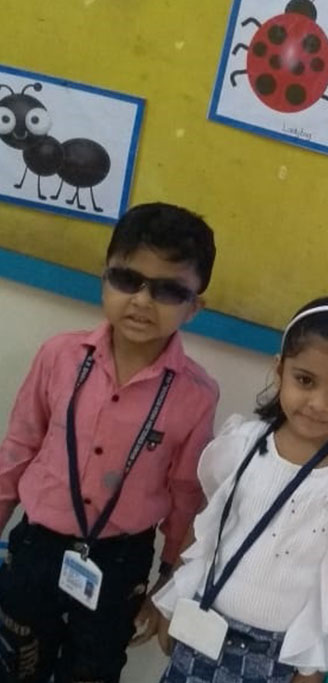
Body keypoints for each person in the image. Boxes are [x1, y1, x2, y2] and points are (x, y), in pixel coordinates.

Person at [0, 203, 218, 682]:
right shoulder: (58, 356)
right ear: (104, 278)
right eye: (127, 279)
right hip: (37, 545)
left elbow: (187, 496)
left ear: (194, 307)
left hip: (121, 560)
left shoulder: (197, 394)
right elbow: (18, 447)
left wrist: (169, 582)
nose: (142, 300)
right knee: (15, 664)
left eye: (168, 290)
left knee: (93, 672)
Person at [154, 286, 328, 683]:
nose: (318, 403)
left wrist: (314, 666)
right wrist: (173, 606)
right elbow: (206, 529)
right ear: (280, 370)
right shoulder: (241, 444)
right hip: (203, 621)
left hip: (277, 653)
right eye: (305, 380)